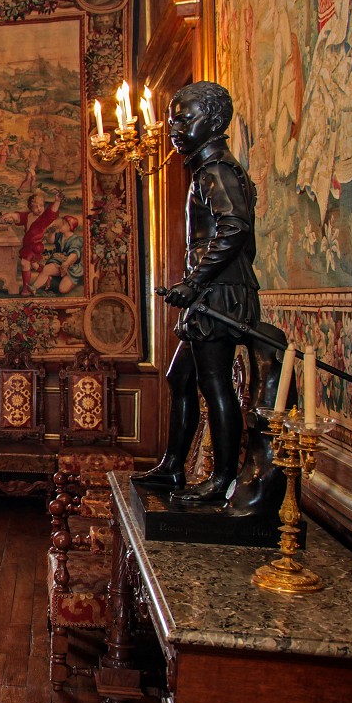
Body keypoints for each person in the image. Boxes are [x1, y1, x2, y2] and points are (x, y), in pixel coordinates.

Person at [132, 81, 260, 505]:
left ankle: (222, 480)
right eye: (173, 121)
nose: (174, 128)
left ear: (215, 121)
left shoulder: (216, 170)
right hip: (212, 290)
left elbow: (235, 228)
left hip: (219, 292)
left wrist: (195, 281)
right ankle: (173, 466)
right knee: (180, 377)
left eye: (185, 119)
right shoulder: (208, 170)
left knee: (214, 383)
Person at [0, 186, 60, 294]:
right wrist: (9, 215)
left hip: (35, 246)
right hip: (27, 245)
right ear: (30, 208)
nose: (39, 209)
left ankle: (25, 289)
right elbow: (18, 216)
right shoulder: (28, 216)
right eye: (35, 207)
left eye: (41, 206)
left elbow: (51, 213)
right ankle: (47, 276)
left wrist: (57, 201)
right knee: (34, 265)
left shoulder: (43, 219)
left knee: (24, 263)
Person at [31, 215, 84, 295]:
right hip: (58, 264)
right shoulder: (60, 235)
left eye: (63, 223)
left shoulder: (76, 240)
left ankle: (72, 282)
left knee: (63, 289)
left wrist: (66, 263)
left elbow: (74, 254)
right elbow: (50, 241)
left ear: (70, 227)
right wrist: (52, 232)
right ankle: (34, 287)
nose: (60, 225)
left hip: (71, 268)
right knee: (46, 269)